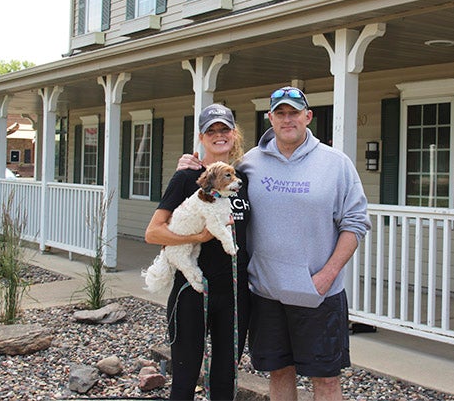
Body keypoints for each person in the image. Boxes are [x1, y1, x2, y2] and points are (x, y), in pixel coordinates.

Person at [178, 87, 371, 401]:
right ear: (270, 118)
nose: (287, 119)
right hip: (266, 295)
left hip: (318, 295)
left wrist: (326, 276)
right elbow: (216, 183)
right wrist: (190, 165)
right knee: (279, 373)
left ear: (308, 116)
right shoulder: (250, 164)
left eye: (294, 112)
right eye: (280, 113)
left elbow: (356, 222)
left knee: (325, 380)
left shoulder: (336, 163)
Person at [145, 103, 251, 401]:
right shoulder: (186, 178)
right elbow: (153, 233)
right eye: (211, 131)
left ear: (233, 134)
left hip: (234, 291)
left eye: (224, 129)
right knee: (185, 373)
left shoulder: (243, 179)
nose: (219, 136)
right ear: (202, 138)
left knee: (225, 376)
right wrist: (200, 236)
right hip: (191, 292)